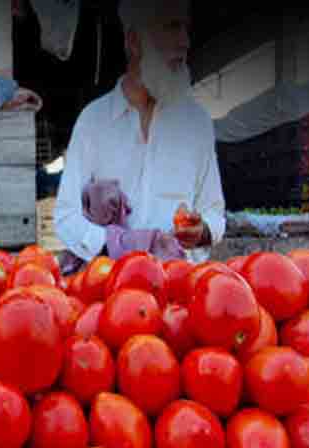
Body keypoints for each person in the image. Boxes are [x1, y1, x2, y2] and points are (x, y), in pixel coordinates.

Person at [55, 0, 225, 268]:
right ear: (134, 41)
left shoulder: (197, 123)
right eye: (171, 27)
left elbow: (214, 213)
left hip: (180, 284)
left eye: (186, 29)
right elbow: (66, 218)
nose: (184, 42)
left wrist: (200, 231)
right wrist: (119, 244)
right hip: (112, 286)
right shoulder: (93, 121)